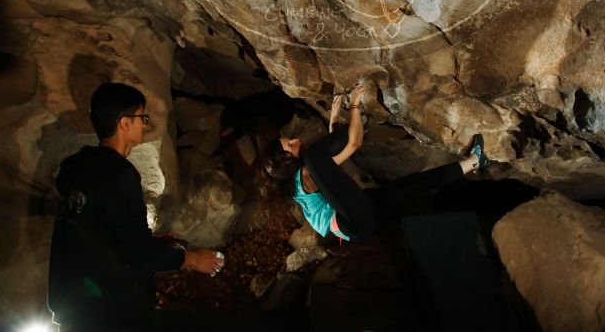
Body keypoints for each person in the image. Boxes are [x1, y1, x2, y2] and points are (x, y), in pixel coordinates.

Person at [47, 82, 224, 330]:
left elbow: (99, 234)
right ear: (124, 123)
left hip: (76, 309)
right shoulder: (117, 173)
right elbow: (136, 252)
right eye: (142, 117)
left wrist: (154, 241)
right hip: (111, 312)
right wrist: (192, 260)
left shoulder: (78, 169)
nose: (145, 124)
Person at [264, 84, 492, 242]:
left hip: (354, 222)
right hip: (352, 220)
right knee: (323, 151)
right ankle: (360, 123)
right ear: (287, 160)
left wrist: (333, 122)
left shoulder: (299, 179)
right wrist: (355, 105)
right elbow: (352, 146)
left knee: (413, 185)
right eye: (290, 145)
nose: (295, 140)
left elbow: (334, 168)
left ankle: (474, 160)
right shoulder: (307, 170)